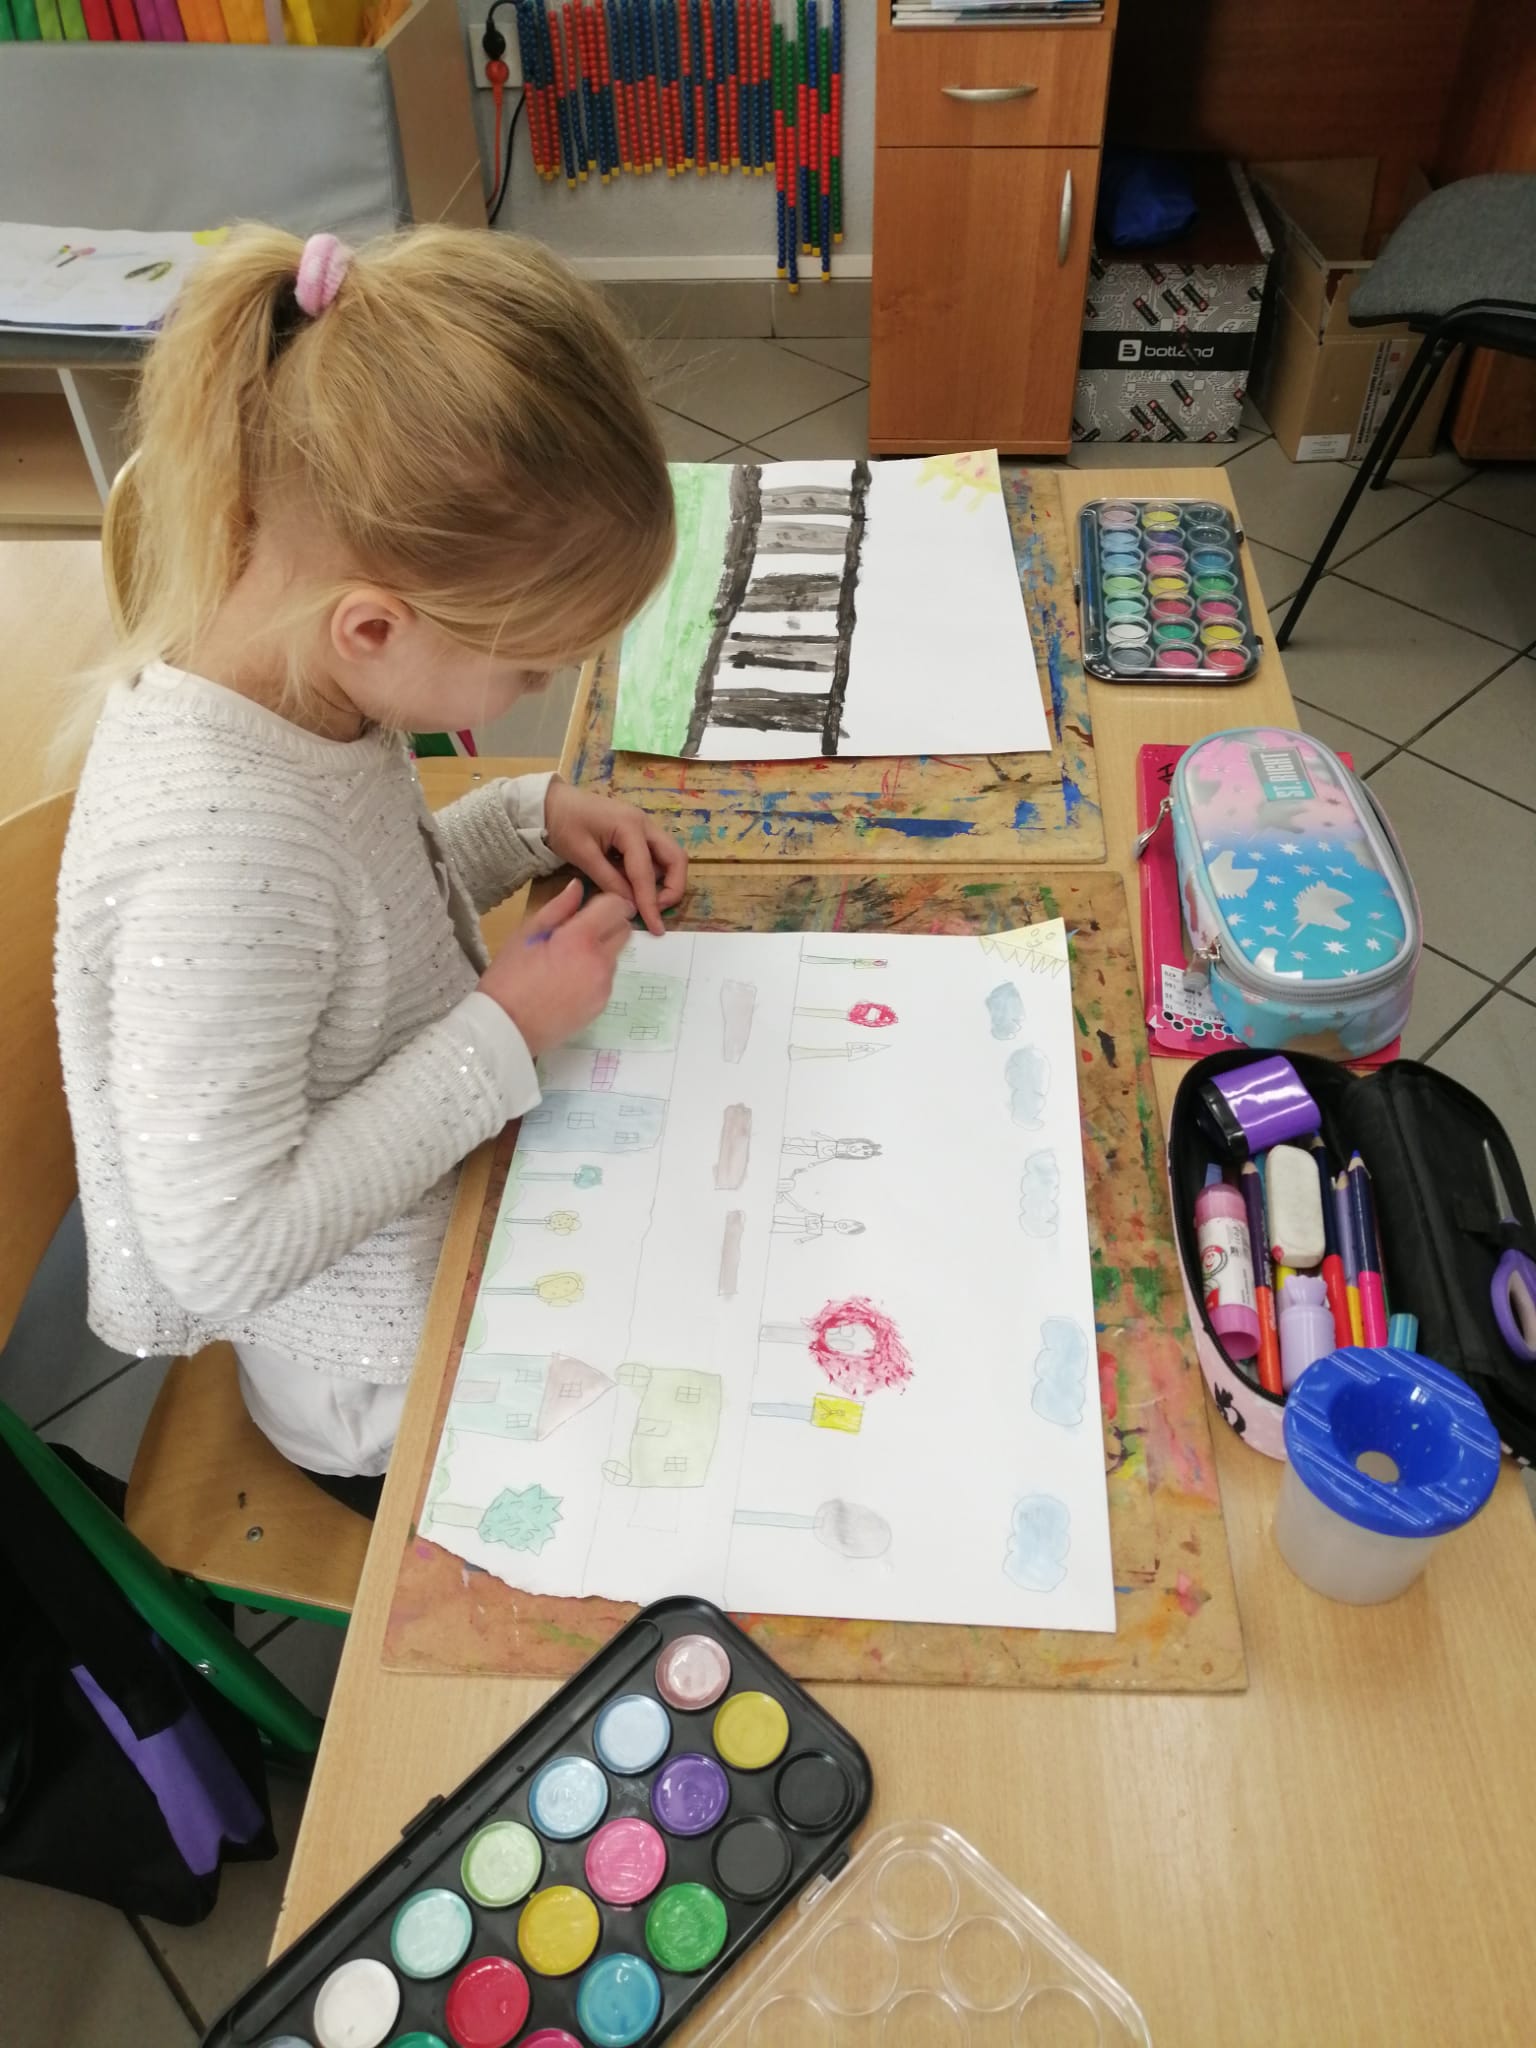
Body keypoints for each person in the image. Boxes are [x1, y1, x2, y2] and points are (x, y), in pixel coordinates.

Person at [54, 226, 687, 1515]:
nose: (539, 689)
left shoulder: (304, 682)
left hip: (457, 1229)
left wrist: (522, 818)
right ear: (375, 625)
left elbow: (355, 929)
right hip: (382, 1383)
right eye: (529, 669)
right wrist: (502, 1032)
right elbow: (225, 1251)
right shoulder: (214, 853)